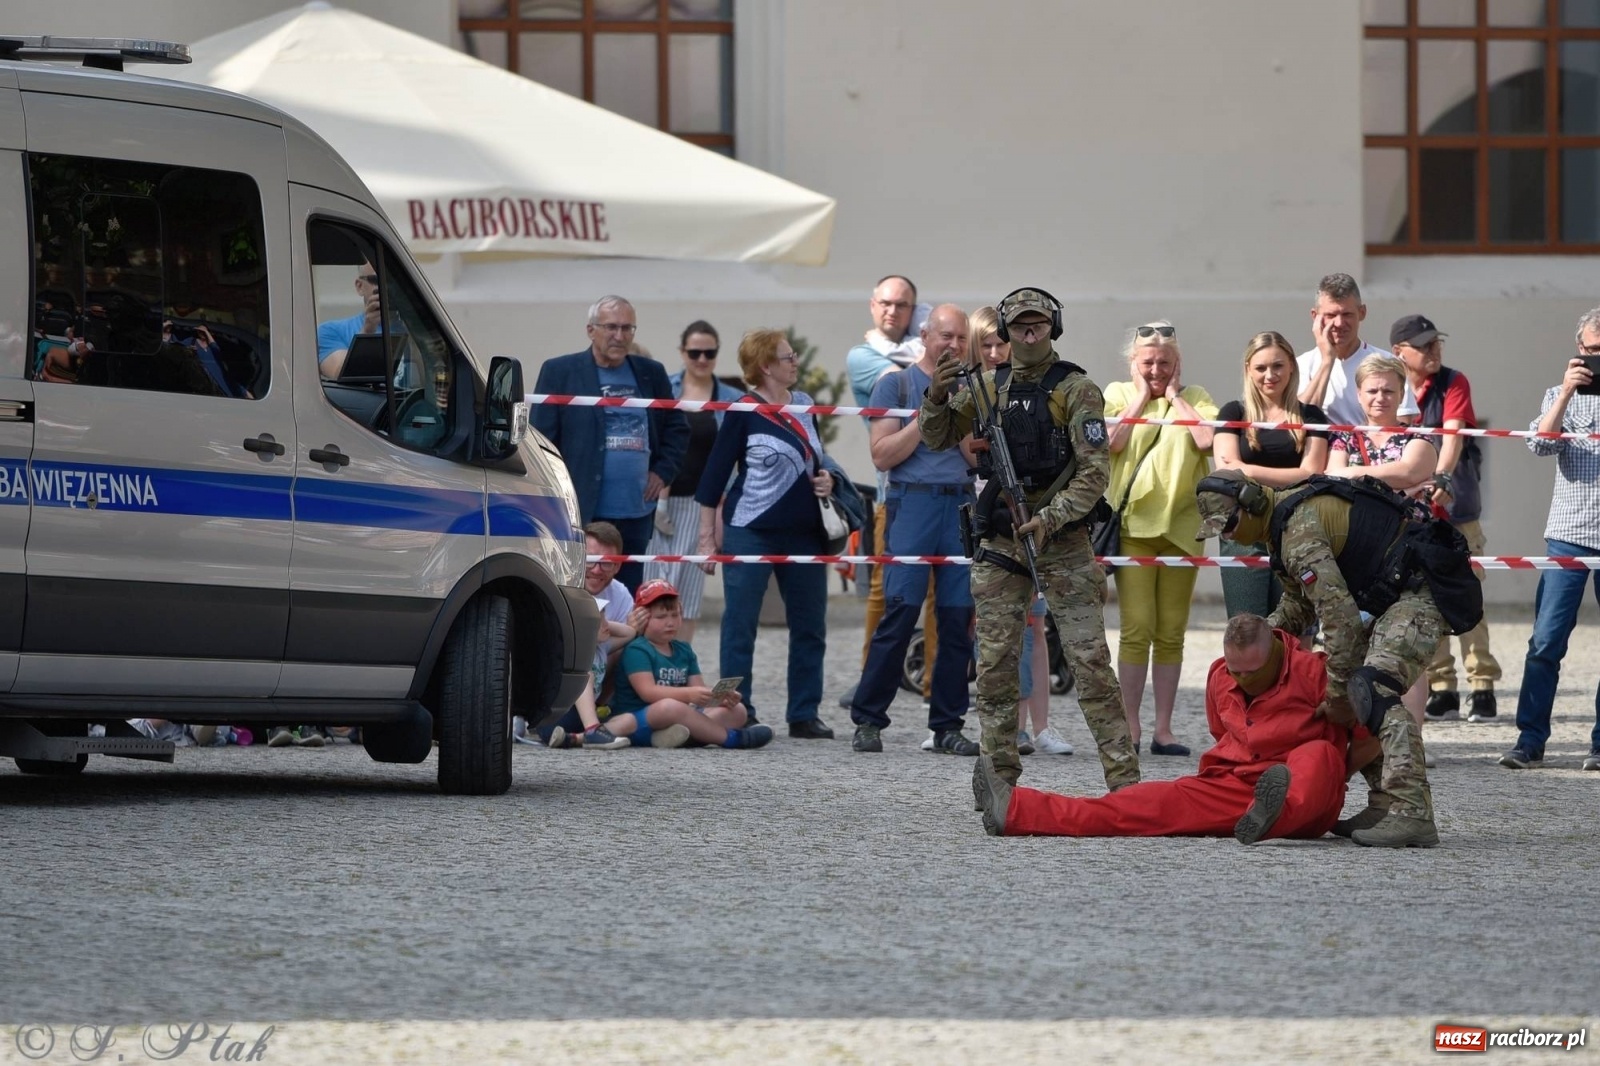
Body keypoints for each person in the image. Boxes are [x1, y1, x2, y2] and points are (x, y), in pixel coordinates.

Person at [920, 287, 1140, 793]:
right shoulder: (987, 387)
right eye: (1020, 325)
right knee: (995, 666)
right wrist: (935, 397)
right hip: (1002, 540)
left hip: (1063, 541)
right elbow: (936, 437)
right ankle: (999, 780)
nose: (1029, 332)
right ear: (1006, 331)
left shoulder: (1077, 389)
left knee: (1090, 663)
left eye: (1038, 323)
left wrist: (1050, 518)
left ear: (1053, 327)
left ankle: (1125, 783)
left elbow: (1094, 474)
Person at [1192, 468, 1484, 847]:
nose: (1229, 537)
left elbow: (1340, 620)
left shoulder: (1296, 534)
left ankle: (1412, 813)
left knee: (1373, 690)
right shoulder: (1281, 529)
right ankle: (1383, 804)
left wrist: (1337, 697)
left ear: (1253, 503)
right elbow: (1299, 605)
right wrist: (1258, 635)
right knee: (1358, 689)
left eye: (1229, 526)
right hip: (1395, 594)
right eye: (1220, 533)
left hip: (1420, 593)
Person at [972, 614, 1347, 841]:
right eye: (1237, 672)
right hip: (1231, 786)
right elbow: (1223, 735)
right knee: (1126, 808)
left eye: (1254, 671)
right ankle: (1015, 807)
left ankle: (1275, 813)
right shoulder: (1220, 675)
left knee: (1318, 755)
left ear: (1276, 654)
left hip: (1308, 788)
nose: (1244, 679)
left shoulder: (1316, 672)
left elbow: (1364, 741)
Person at [849, 304, 978, 755]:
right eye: (946, 336)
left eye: (961, 338)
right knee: (900, 613)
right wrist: (932, 410)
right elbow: (882, 455)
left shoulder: (972, 387)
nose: (954, 346)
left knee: (957, 620)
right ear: (925, 336)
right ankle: (868, 720)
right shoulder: (896, 383)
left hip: (959, 503)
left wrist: (961, 410)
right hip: (912, 502)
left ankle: (947, 725)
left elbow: (976, 459)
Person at [696, 329, 836, 739]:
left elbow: (817, 460)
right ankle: (738, 710)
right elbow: (713, 479)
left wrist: (827, 478)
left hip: (805, 533)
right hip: (749, 531)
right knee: (739, 625)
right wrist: (706, 540)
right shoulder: (742, 410)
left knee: (811, 625)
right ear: (765, 366)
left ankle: (804, 713)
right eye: (788, 357)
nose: (796, 362)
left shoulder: (805, 405)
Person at [1104, 320, 1219, 757]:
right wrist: (1139, 397)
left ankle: (1164, 729)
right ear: (1133, 363)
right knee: (1136, 628)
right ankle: (1131, 726)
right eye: (1148, 363)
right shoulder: (1117, 394)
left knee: (1171, 632)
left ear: (1178, 363)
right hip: (1134, 528)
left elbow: (1206, 440)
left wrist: (1174, 398)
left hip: (1183, 528)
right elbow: (1112, 443)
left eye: (1165, 363)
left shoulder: (1197, 397)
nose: (1156, 370)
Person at [531, 295, 689, 593]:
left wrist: (663, 472)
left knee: (627, 596)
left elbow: (677, 428)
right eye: (612, 327)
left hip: (635, 511)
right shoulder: (560, 371)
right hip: (582, 510)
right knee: (577, 592)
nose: (620, 335)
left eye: (628, 328)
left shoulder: (651, 372)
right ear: (591, 330)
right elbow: (541, 440)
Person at [968, 305, 1071, 757]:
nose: (995, 352)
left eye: (1000, 343)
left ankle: (1040, 724)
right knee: (1002, 631)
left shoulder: (1033, 389)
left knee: (1036, 623)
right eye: (986, 345)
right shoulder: (979, 393)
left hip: (1033, 514)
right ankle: (1012, 727)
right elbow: (970, 451)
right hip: (994, 520)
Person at [1502, 308, 1600, 774]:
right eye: (1592, 351)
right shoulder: (1558, 394)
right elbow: (1540, 444)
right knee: (1545, 641)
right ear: (1579, 349)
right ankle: (1530, 741)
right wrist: (1565, 391)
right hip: (1569, 535)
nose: (1597, 359)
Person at [1391, 314, 1502, 724]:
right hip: (1413, 511)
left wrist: (1440, 476)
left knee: (1468, 595)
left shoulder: (1454, 382)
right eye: (1423, 345)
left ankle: (1482, 685)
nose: (1433, 350)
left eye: (1436, 343)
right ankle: (1442, 687)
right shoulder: (1392, 387)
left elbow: (1453, 435)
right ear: (1399, 352)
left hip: (1457, 510)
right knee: (1424, 597)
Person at [840, 274, 940, 709]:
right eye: (885, 303)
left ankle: (936, 685)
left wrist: (928, 333)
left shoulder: (911, 344)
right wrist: (928, 340)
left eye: (903, 305)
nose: (892, 311)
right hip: (893, 493)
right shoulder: (862, 355)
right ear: (872, 304)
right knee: (885, 592)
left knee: (940, 593)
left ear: (914, 312)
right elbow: (911, 376)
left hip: (939, 490)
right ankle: (870, 680)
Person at [1212, 330, 1330, 618]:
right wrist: (1290, 475)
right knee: (1246, 625)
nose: (1270, 375)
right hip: (1243, 529)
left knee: (1293, 628)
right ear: (1248, 370)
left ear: (1292, 366)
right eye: (1261, 367)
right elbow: (1226, 473)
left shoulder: (1312, 416)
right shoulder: (1233, 412)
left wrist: (1248, 469)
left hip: (1297, 528)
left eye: (1277, 366)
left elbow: (1312, 473)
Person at [644, 320, 744, 643]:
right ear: (682, 352)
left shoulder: (732, 398)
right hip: (655, 498)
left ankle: (681, 662)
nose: (702, 359)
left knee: (686, 589)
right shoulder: (664, 388)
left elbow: (740, 457)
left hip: (700, 505)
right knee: (650, 587)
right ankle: (645, 662)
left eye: (709, 353)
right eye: (695, 352)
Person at [607, 580, 774, 750]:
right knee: (670, 706)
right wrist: (690, 694)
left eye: (675, 615)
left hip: (678, 716)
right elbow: (648, 693)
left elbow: (698, 689)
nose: (670, 622)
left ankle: (678, 736)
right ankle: (732, 739)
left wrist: (718, 697)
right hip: (641, 718)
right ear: (642, 617)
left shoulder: (684, 649)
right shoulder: (637, 649)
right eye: (661, 617)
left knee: (738, 711)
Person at [525, 521, 639, 746]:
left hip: (595, 688)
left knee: (635, 650)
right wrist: (588, 628)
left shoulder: (621, 595)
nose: (596, 570)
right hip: (554, 690)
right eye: (591, 560)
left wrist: (614, 626)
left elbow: (629, 635)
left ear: (617, 566)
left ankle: (585, 731)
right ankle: (591, 728)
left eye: (606, 563)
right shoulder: (555, 584)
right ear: (578, 556)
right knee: (580, 673)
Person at [1297, 273, 1418, 429]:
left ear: (1362, 312)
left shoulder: (1388, 364)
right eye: (1331, 315)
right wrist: (1327, 361)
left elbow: (1402, 428)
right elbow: (1299, 423)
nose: (1339, 323)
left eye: (1347, 314)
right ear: (1315, 316)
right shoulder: (1301, 366)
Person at [316, 260, 381, 380]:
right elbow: (340, 374)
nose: (387, 288)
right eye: (377, 281)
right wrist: (367, 332)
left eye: (393, 282)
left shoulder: (413, 328)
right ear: (360, 286)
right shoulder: (331, 331)